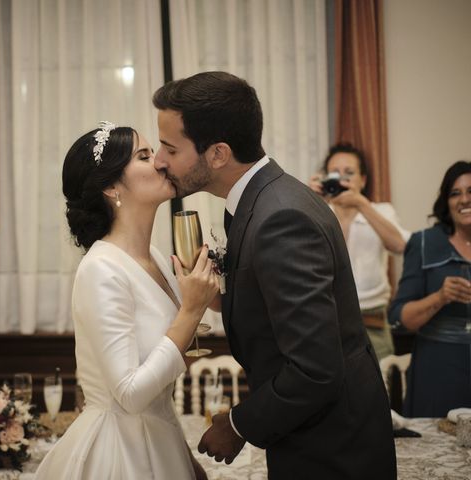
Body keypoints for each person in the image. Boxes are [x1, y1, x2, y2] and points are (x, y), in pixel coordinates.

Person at [153, 72, 396, 479]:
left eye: (170, 148)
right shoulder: (263, 199)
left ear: (217, 154)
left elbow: (315, 368)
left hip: (334, 452)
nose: (160, 160)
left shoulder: (280, 218)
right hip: (317, 435)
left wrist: (238, 425)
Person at [35, 122, 218, 479]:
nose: (162, 162)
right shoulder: (101, 268)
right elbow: (130, 395)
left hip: (161, 442)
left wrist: (185, 458)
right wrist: (192, 308)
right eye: (145, 156)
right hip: (118, 453)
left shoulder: (153, 258)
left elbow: (158, 400)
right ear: (111, 186)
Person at [308, 143, 409, 361]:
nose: (341, 179)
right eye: (334, 173)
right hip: (326, 326)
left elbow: (400, 246)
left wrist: (361, 205)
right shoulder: (318, 213)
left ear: (363, 180)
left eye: (349, 173)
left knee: (379, 392)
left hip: (373, 326)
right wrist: (310, 202)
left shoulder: (381, 211)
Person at [389, 160, 471, 417]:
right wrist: (440, 296)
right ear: (446, 201)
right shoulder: (424, 243)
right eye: (455, 193)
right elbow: (399, 317)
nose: (464, 199)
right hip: (439, 369)